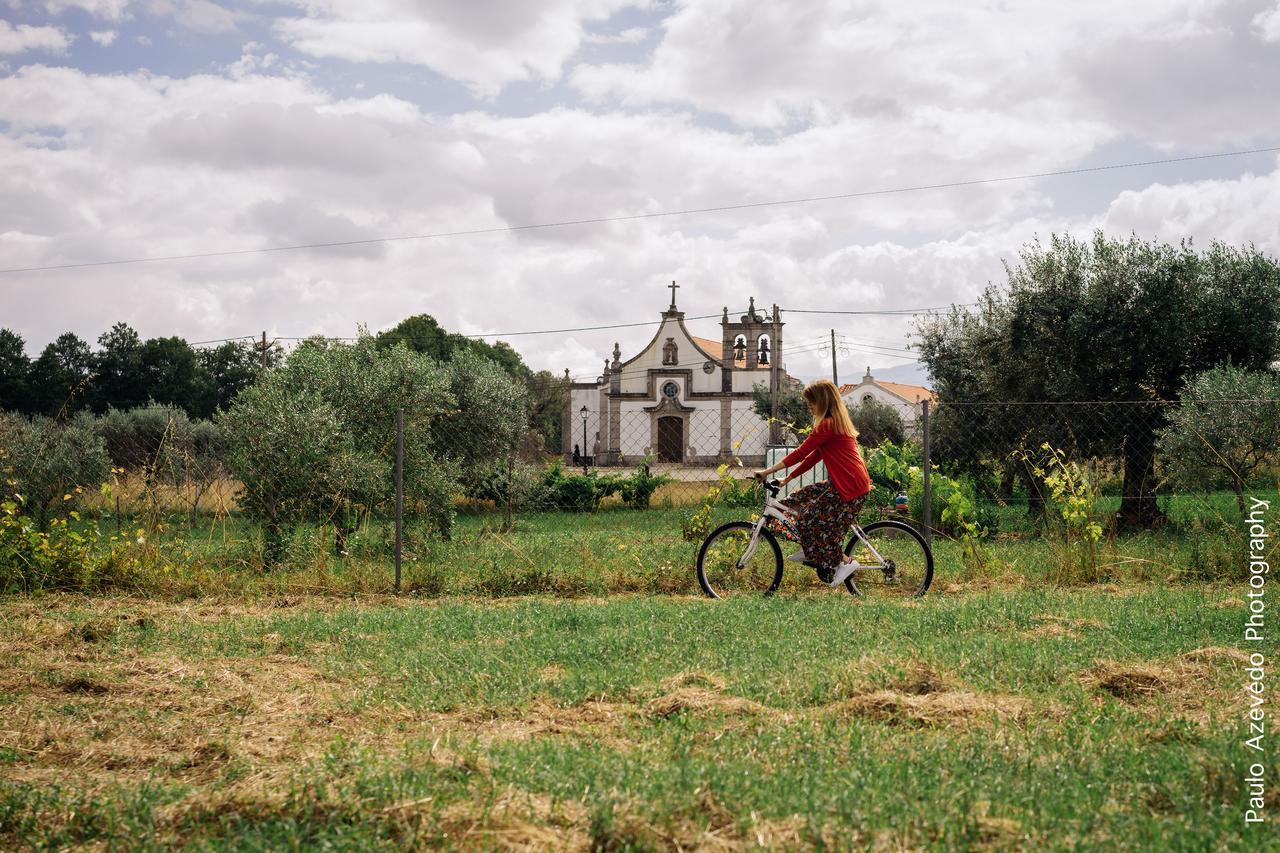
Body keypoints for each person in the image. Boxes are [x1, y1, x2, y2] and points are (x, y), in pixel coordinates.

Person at [752, 379, 873, 587]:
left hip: (849, 487)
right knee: (796, 499)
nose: (809, 406)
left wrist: (767, 471)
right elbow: (812, 458)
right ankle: (812, 550)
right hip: (844, 483)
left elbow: (800, 453)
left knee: (809, 519)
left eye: (812, 403)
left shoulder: (828, 425)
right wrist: (786, 479)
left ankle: (845, 561)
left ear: (823, 402)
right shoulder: (833, 424)